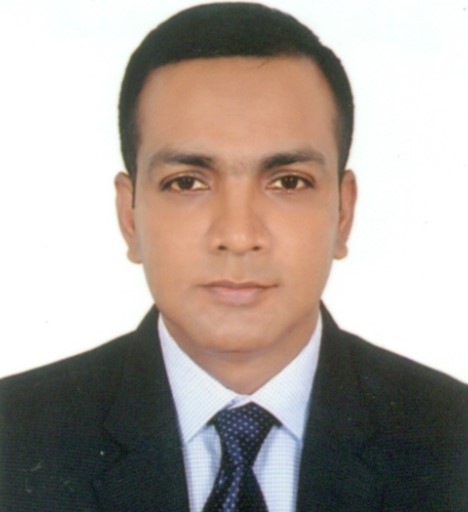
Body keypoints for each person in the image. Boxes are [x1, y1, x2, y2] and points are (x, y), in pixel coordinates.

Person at [0, 3, 466, 511]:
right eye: (187, 183)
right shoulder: (14, 438)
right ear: (129, 216)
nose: (239, 236)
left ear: (343, 212)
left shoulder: (452, 439)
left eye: (289, 182)